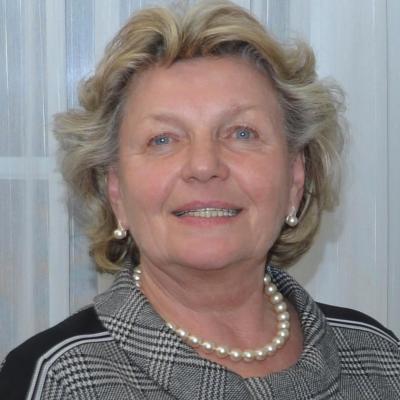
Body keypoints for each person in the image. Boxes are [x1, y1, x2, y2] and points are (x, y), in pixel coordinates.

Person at [1, 1, 399, 399]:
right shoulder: (52, 381)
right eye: (162, 139)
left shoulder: (380, 358)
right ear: (116, 191)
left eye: (242, 133)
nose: (204, 165)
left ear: (296, 178)